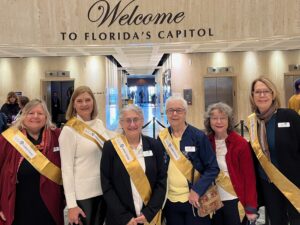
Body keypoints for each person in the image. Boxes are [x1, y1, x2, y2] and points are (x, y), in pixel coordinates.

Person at [0, 99, 65, 225]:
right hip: (18, 207)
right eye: (31, 113)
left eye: (40, 113)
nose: (35, 116)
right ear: (23, 116)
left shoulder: (57, 136)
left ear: (46, 117)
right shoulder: (8, 139)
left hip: (50, 208)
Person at [158, 96, 219, 225]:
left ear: (185, 112)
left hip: (195, 200)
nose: (174, 114)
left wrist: (197, 190)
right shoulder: (162, 138)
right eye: (170, 110)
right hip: (170, 201)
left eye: (179, 110)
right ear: (166, 113)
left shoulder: (198, 136)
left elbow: (212, 168)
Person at [101, 104, 167, 225]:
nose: (132, 124)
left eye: (136, 119)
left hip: (149, 218)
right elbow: (106, 185)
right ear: (121, 123)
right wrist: (124, 217)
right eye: (127, 120)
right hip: (120, 219)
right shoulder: (110, 147)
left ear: (142, 121)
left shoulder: (155, 145)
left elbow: (161, 181)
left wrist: (149, 213)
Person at [248, 77, 300, 225]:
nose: (262, 95)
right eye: (258, 92)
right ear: (252, 96)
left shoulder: (289, 116)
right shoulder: (252, 123)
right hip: (268, 185)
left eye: (266, 91)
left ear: (273, 94)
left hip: (293, 183)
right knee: (276, 221)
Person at [59, 86, 113, 225]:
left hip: (103, 190)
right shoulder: (68, 130)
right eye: (79, 101)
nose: (84, 104)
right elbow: (66, 170)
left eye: (88, 100)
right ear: (73, 104)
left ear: (93, 102)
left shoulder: (99, 123)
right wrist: (71, 205)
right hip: (83, 196)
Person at [204, 102, 258, 225]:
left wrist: (251, 206)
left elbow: (249, 178)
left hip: (234, 201)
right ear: (209, 121)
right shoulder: (206, 141)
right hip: (213, 202)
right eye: (214, 118)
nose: (218, 122)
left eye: (222, 118)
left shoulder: (241, 143)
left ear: (229, 120)